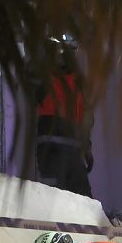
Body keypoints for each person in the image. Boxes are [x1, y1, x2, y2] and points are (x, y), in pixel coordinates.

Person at [34, 38, 94, 197]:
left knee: (83, 202)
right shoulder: (45, 79)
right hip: (53, 151)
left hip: (69, 153)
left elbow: (85, 118)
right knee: (54, 200)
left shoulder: (76, 84)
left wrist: (86, 149)